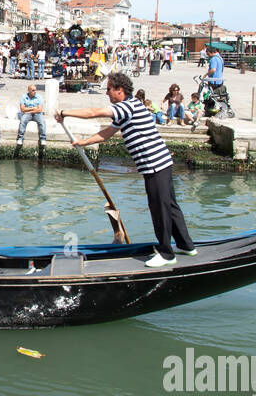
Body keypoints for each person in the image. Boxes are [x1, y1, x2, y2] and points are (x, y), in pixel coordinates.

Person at [56, 71, 196, 268]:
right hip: (159, 163)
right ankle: (186, 245)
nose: (107, 93)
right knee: (170, 206)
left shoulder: (126, 107)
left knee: (160, 209)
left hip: (155, 165)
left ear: (119, 90)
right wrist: (83, 142)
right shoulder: (128, 108)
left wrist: (64, 113)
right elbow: (107, 133)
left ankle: (166, 253)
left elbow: (93, 112)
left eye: (108, 89)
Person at [16, 84, 47, 157]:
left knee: (42, 122)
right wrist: (33, 108)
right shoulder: (24, 97)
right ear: (29, 90)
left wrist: (29, 110)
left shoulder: (39, 97)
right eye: (33, 90)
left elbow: (40, 109)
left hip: (37, 113)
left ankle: (43, 138)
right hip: (29, 113)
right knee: (23, 121)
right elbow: (22, 109)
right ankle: (20, 138)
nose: (35, 92)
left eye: (35, 90)